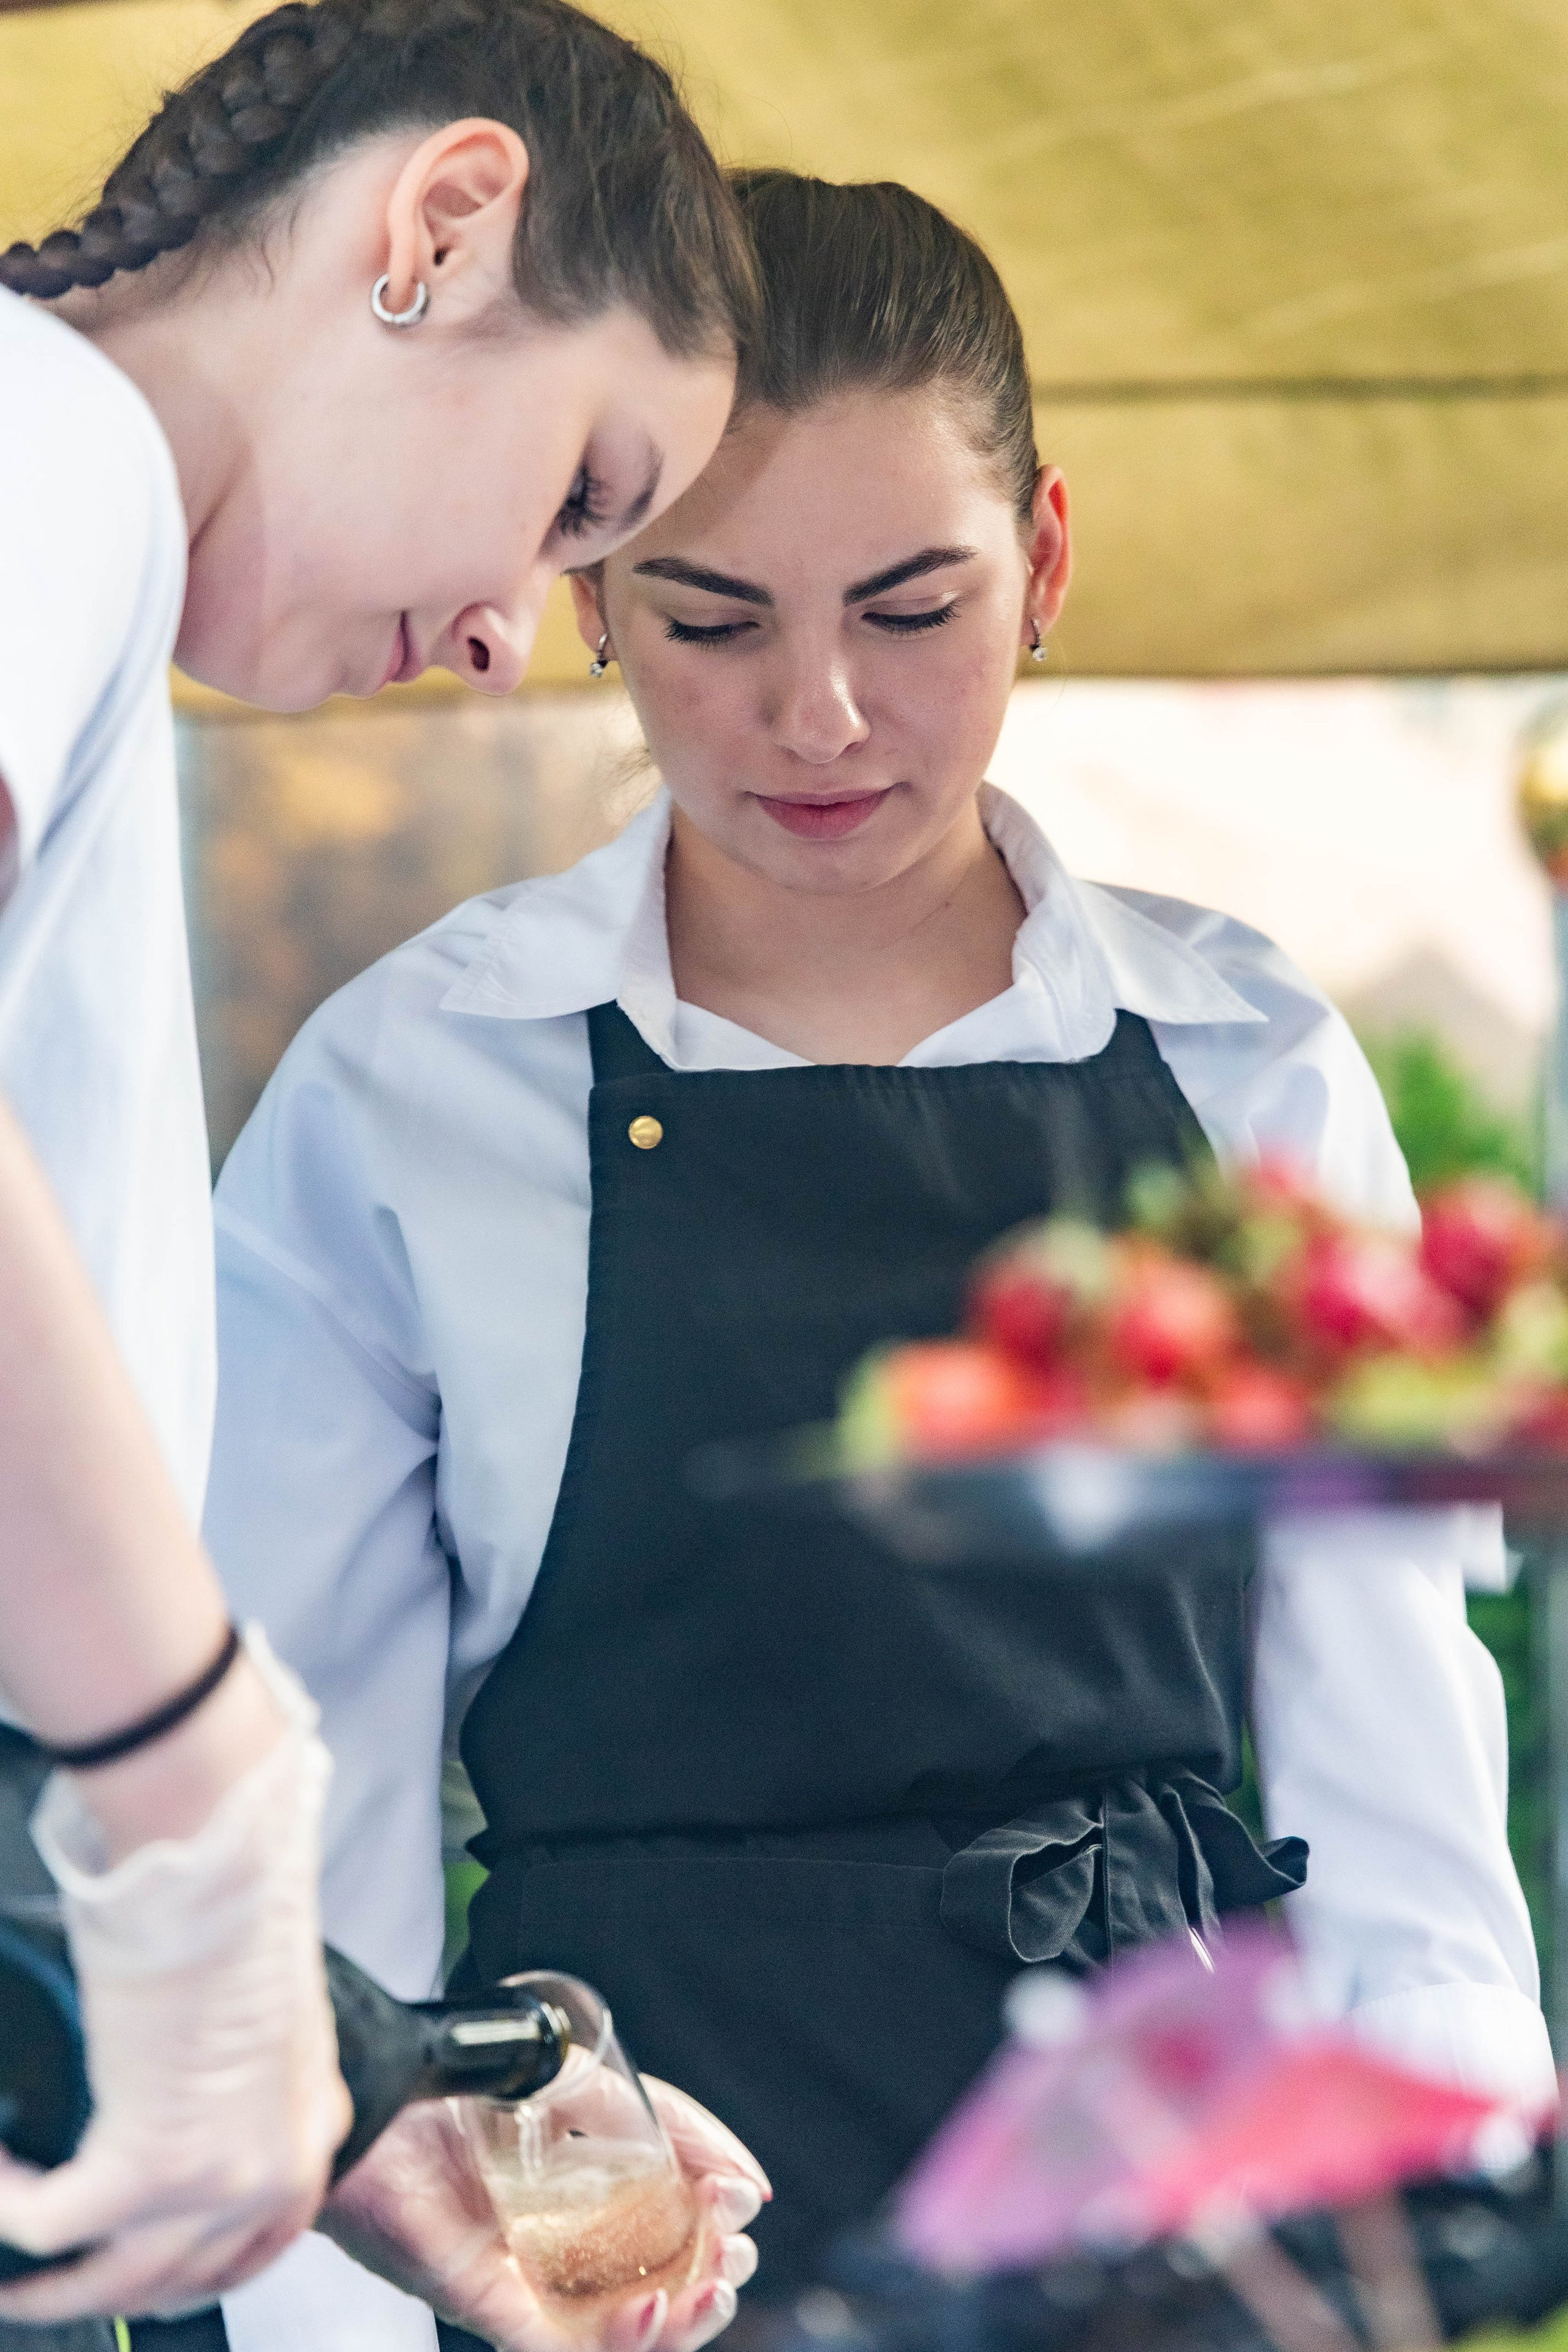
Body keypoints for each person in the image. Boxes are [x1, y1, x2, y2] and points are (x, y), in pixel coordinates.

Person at [202, 168, 1553, 2348]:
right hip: (628, 2237)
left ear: (1042, 566)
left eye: (910, 608)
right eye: (714, 619)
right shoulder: (409, 1097)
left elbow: (1396, 1770)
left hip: (1165, 2213)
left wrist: (1462, 2245)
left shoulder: (1250, 1070)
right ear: (587, 599)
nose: (817, 714)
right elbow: (310, 1830)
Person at [0, 4, 763, 2343]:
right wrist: (197, 1770)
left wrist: (333, 2079)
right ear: (443, 225)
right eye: (578, 503)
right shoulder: (51, 448)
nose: (498, 644)